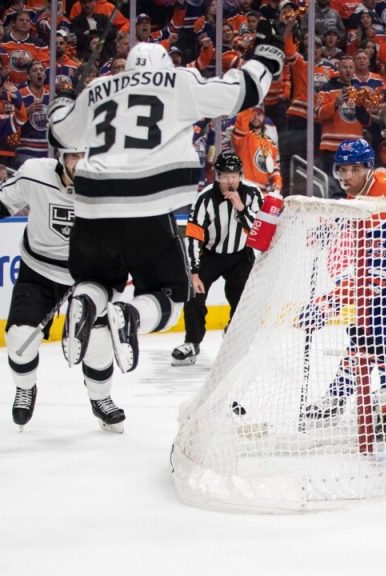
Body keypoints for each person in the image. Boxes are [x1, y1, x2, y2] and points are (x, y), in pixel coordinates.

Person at [46, 25, 283, 376]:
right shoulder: (179, 83)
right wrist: (267, 57)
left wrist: (62, 104)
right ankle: (130, 315)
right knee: (171, 296)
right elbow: (243, 91)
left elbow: (59, 133)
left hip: (91, 207)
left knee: (98, 281)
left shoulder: (97, 89)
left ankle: (86, 299)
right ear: (163, 66)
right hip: (146, 205)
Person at [0, 148, 127, 432]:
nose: (79, 163)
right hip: (39, 271)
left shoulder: (112, 185)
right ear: (61, 157)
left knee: (98, 342)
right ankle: (25, 389)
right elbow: (0, 199)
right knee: (20, 337)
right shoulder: (35, 174)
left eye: (85, 155)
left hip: (90, 277)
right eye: (73, 156)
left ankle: (101, 398)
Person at [300, 139, 386, 425]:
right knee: (366, 331)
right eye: (341, 170)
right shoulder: (369, 188)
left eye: (353, 170)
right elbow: (352, 211)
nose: (346, 177)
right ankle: (340, 396)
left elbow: (376, 276)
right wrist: (330, 226)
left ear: (368, 167)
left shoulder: (385, 206)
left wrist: (328, 305)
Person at [171, 152, 262, 366]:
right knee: (194, 294)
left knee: (242, 299)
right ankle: (192, 343)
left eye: (234, 176)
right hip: (210, 255)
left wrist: (241, 207)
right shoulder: (204, 199)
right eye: (225, 176)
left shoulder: (253, 194)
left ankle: (234, 335)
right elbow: (193, 237)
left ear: (241, 175)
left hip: (241, 255)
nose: (230, 181)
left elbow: (258, 231)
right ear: (216, 176)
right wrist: (193, 273)